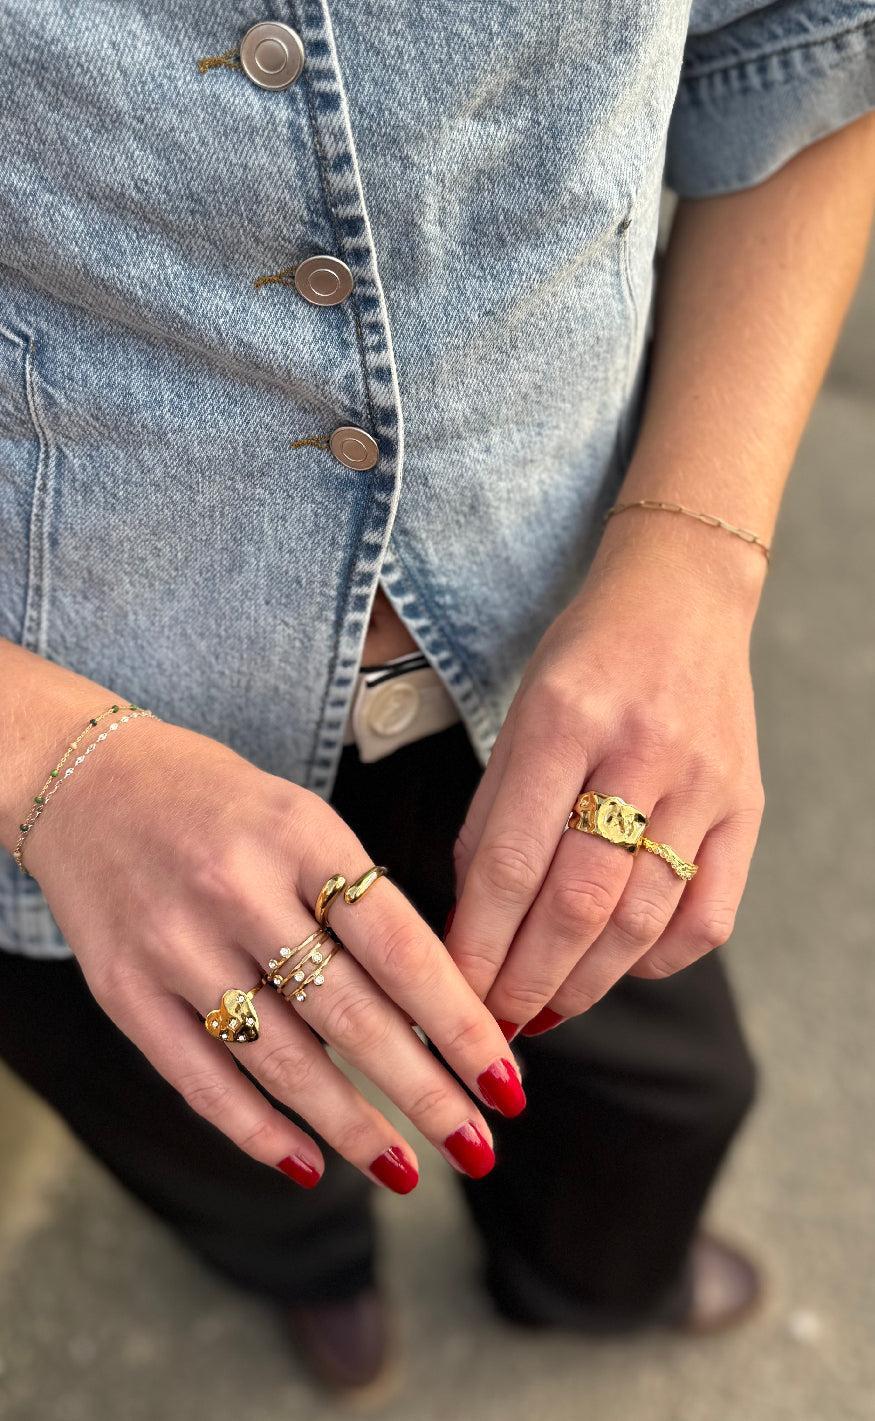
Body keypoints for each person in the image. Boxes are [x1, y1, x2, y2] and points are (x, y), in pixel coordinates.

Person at [1, 0, 873, 1399]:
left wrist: (697, 557)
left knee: (656, 1091)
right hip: (80, 743)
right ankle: (308, 1270)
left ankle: (594, 1279)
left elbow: (803, 53)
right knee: (210, 1122)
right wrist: (49, 759)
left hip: (552, 647)